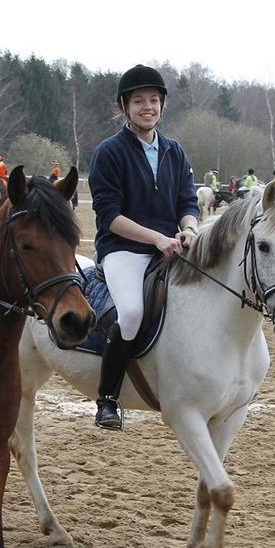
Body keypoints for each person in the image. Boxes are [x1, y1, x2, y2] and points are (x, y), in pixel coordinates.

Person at [88, 64, 199, 430]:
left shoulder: (174, 150)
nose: (147, 107)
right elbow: (109, 216)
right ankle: (107, 398)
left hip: (169, 246)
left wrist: (189, 229)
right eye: (139, 101)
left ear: (162, 105)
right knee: (132, 313)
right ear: (125, 106)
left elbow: (187, 202)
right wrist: (155, 238)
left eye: (154, 100)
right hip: (123, 250)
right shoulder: (109, 152)